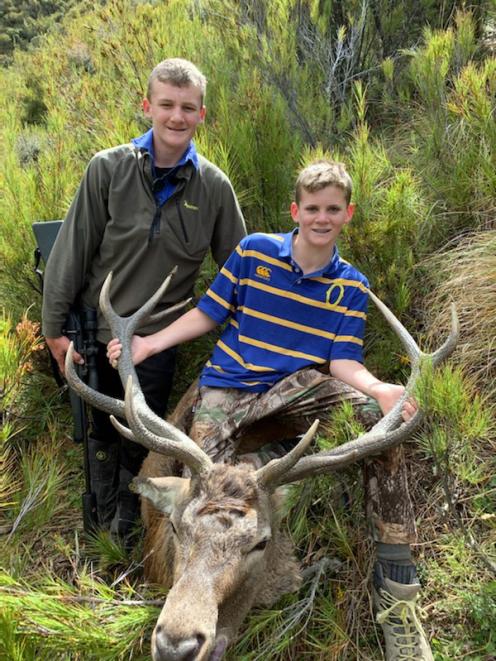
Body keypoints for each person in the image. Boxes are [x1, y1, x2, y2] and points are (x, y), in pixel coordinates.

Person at [108, 160, 433, 660]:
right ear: (295, 210)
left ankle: (397, 589)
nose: (321, 218)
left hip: (294, 387)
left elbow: (343, 361)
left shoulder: (351, 286)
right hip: (229, 385)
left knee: (380, 425)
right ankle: (189, 605)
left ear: (347, 214)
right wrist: (150, 345)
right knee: (205, 496)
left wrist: (382, 391)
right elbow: (208, 313)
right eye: (312, 208)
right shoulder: (253, 251)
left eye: (332, 209)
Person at [41, 58, 246, 539]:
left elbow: (240, 270)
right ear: (147, 106)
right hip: (92, 334)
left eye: (187, 108)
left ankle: (129, 524)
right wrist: (54, 335)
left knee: (142, 432)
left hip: (155, 338)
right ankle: (102, 527)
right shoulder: (107, 169)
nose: (176, 117)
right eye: (167, 105)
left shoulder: (213, 187)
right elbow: (69, 255)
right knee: (100, 433)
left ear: (202, 115)